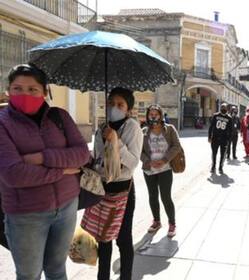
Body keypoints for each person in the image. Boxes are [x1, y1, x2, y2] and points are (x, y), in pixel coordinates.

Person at [0, 64, 90, 279]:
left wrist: (42, 158)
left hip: (67, 206)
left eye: (33, 89)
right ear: (8, 91)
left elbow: (81, 154)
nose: (25, 94)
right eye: (17, 88)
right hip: (26, 214)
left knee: (57, 269)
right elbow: (14, 174)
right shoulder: (2, 124)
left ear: (44, 91)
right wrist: (62, 171)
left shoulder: (59, 117)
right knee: (29, 275)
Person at [93, 87, 143, 280]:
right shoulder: (102, 127)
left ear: (128, 109)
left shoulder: (132, 127)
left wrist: (115, 141)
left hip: (123, 189)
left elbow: (132, 163)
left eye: (120, 104)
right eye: (111, 103)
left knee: (123, 239)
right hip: (102, 188)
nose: (114, 107)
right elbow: (98, 158)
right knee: (103, 240)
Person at [141, 104, 182, 238]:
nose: (153, 116)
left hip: (165, 169)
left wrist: (165, 160)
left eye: (156, 114)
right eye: (151, 114)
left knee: (166, 197)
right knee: (152, 196)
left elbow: (177, 146)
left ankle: (172, 223)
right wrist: (148, 161)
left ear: (161, 115)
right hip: (149, 170)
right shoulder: (144, 131)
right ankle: (156, 221)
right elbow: (139, 151)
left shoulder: (169, 129)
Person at [208, 103, 233, 174]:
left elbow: (231, 130)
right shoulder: (215, 115)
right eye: (222, 108)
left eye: (224, 108)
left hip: (224, 139)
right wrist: (209, 137)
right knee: (214, 153)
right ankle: (213, 166)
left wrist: (229, 140)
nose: (223, 109)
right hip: (215, 138)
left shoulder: (229, 118)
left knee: (223, 154)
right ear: (220, 108)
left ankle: (220, 167)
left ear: (227, 109)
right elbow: (211, 127)